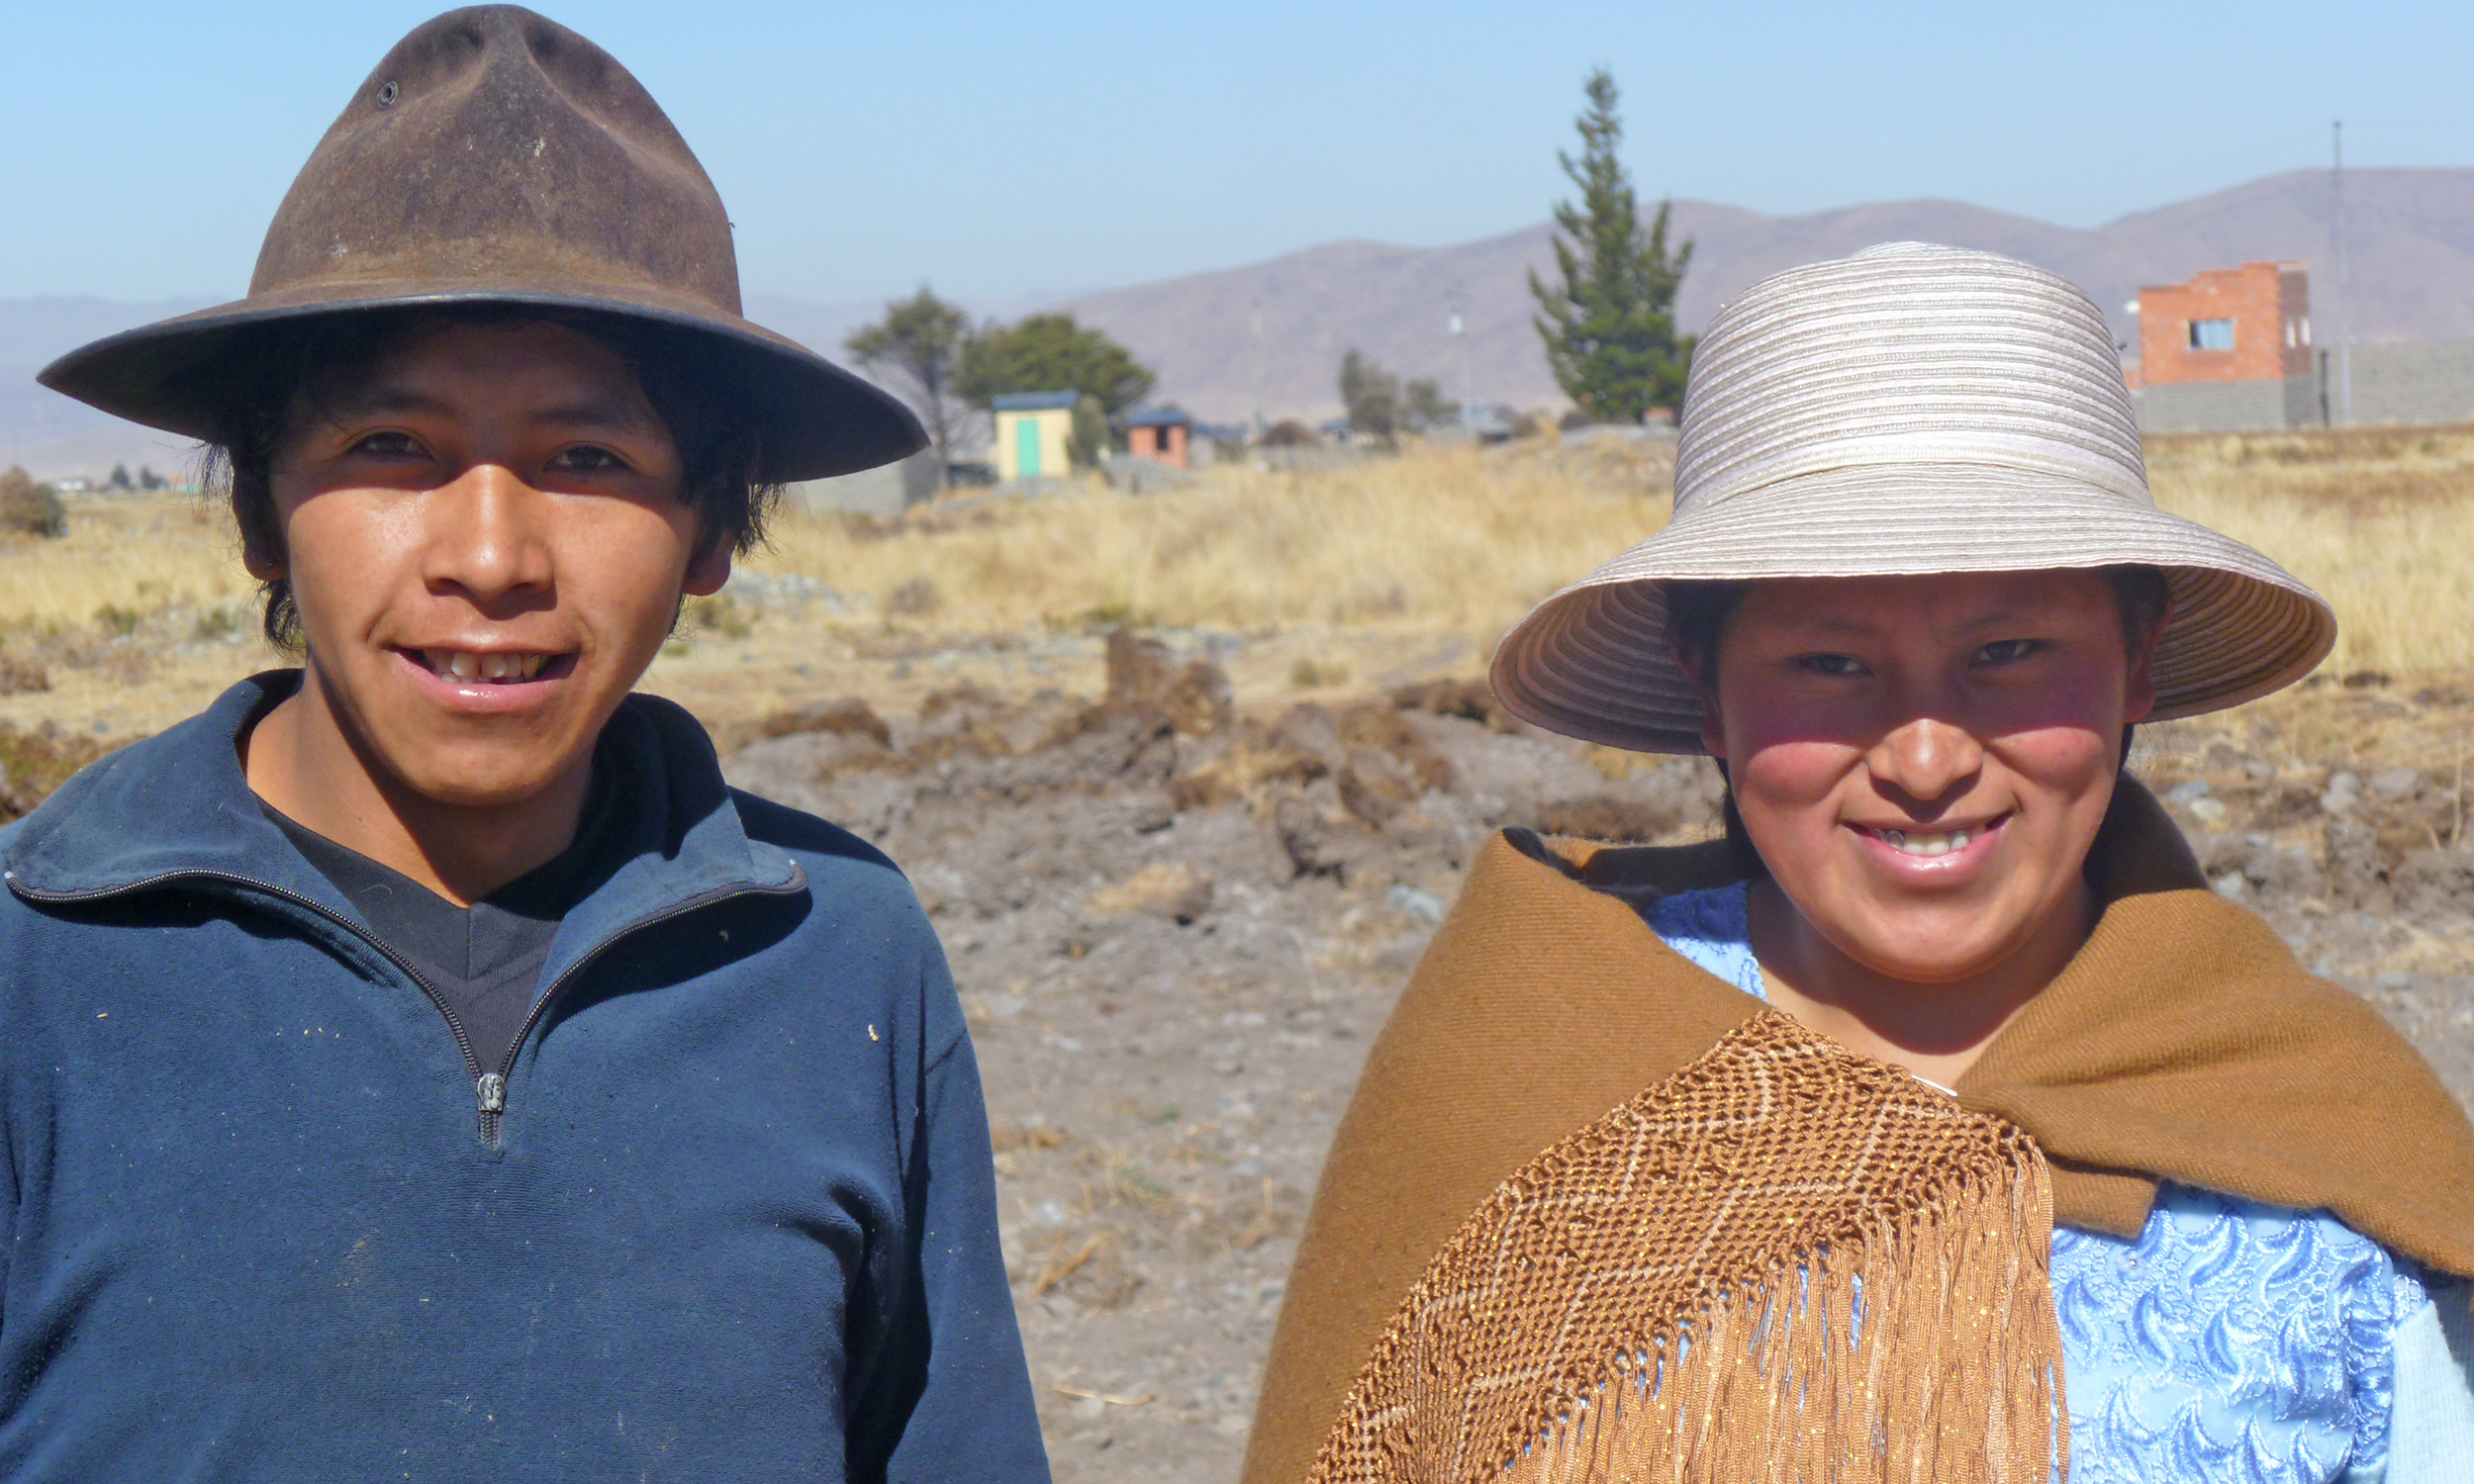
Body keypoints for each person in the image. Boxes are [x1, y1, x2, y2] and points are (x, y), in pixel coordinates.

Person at [4, 9, 1048, 1480]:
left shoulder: (837, 956)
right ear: (259, 510)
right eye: (393, 449)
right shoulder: (36, 971)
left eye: (587, 460)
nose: (491, 556)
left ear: (710, 529)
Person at [1243, 244, 2474, 1483]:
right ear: (1705, 692)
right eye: (1829, 665)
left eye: (2008, 650)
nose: (1927, 757)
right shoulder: (1538, 1072)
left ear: (2136, 663)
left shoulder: (2322, 1145)